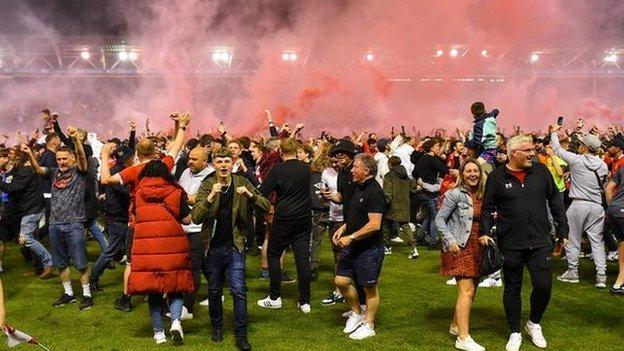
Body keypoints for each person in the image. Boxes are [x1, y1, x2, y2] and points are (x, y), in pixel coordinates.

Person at [481, 134, 569, 351]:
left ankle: (534, 323)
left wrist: (563, 229)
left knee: (543, 285)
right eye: (527, 150)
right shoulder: (497, 177)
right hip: (510, 242)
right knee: (512, 287)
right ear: (513, 154)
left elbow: (555, 200)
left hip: (540, 241)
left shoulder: (540, 171)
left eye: (532, 150)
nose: (532, 153)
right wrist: (485, 232)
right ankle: (514, 331)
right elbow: (487, 207)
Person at [100, 112, 190, 312]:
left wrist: (104, 157)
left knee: (132, 263)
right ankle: (167, 299)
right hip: (165, 222)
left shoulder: (134, 171)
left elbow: (106, 180)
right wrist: (180, 126)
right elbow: (176, 147)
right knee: (165, 261)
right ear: (156, 153)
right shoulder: (163, 165)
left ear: (137, 155)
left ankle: (126, 298)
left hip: (138, 223)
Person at [192, 147, 269, 351]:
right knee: (215, 290)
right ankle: (217, 327)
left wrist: (250, 196)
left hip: (236, 245)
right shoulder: (208, 184)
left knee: (238, 290)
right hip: (213, 246)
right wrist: (210, 198)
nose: (224, 165)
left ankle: (241, 334)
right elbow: (196, 217)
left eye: (227, 161)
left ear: (232, 162)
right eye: (220, 162)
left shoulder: (242, 182)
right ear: (213, 164)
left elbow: (266, 205)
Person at [22, 126, 94, 310]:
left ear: (71, 159)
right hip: (55, 224)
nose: (61, 162)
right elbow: (38, 170)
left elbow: (83, 159)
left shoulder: (79, 171)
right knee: (61, 262)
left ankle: (87, 295)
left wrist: (76, 140)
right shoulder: (54, 173)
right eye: (59, 159)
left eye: (64, 159)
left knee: (80, 263)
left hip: (74, 223)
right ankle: (68, 294)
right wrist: (30, 153)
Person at [126, 160, 195, 345]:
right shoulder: (176, 191)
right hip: (173, 246)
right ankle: (175, 321)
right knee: (176, 287)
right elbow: (187, 220)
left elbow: (136, 217)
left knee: (153, 292)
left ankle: (158, 333)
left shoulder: (138, 193)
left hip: (146, 248)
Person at [435, 159, 488, 351]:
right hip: (459, 244)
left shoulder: (484, 194)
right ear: (462, 174)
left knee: (471, 289)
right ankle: (463, 339)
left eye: (476, 171)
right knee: (467, 291)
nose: (472, 174)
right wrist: (450, 241)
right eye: (468, 171)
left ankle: (455, 326)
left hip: (478, 245)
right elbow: (439, 219)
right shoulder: (454, 194)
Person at [257, 138, 313, 313]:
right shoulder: (306, 168)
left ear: (280, 151)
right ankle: (305, 301)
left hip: (284, 218)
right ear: (297, 150)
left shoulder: (277, 170)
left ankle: (275, 297)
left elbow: (263, 192)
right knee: (302, 260)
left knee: (273, 254)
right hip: (304, 219)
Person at [333, 153, 385, 340]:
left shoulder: (374, 192)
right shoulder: (358, 187)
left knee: (369, 288)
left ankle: (369, 324)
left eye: (355, 167)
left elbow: (374, 224)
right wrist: (344, 228)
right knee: (341, 281)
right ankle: (357, 312)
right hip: (353, 245)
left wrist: (351, 237)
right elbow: (357, 215)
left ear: (366, 170)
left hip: (369, 249)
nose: (352, 170)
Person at [550, 124, 608, 287]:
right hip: (596, 206)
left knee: (572, 239)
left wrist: (554, 132)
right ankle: (601, 276)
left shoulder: (576, 160)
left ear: (584, 147)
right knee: (597, 242)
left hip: (578, 205)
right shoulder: (603, 165)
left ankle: (573, 271)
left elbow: (556, 150)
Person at [0, 149, 54, 279]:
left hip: (31, 210)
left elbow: (12, 188)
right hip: (30, 209)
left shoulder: (25, 171)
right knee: (31, 240)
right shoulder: (22, 171)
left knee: (26, 238)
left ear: (19, 160)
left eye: (12, 158)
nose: (9, 160)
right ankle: (39, 269)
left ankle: (48, 262)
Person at [88, 145, 133, 292]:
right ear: (128, 158)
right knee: (111, 250)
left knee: (123, 250)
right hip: (118, 218)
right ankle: (93, 278)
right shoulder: (119, 172)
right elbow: (127, 191)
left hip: (117, 216)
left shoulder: (115, 170)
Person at [178, 146, 214, 318]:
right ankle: (217, 292)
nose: (190, 161)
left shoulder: (211, 176)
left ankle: (187, 308)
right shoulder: (185, 172)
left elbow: (201, 200)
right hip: (184, 226)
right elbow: (183, 193)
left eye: (194, 159)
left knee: (193, 267)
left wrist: (182, 197)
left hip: (199, 228)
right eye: (189, 158)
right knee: (202, 262)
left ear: (205, 161)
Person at [382, 156, 419, 258]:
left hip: (391, 205)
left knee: (386, 225)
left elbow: (387, 193)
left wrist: (384, 204)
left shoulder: (389, 176)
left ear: (390, 164)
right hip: (404, 204)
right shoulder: (406, 176)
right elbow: (413, 189)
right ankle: (413, 249)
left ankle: (387, 247)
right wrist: (407, 197)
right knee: (405, 226)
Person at [606, 165, 624, 294]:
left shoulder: (622, 168)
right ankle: (619, 283)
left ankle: (619, 284)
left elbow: (608, 189)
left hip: (614, 211)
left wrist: (612, 207)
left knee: (622, 244)